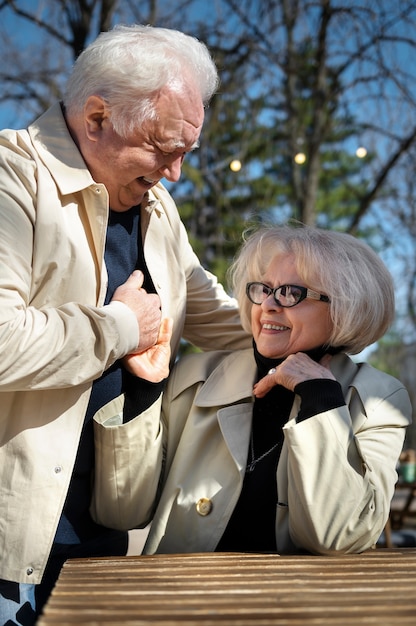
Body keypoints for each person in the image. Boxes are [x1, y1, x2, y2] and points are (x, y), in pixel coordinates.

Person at [0, 24, 250, 624]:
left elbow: (224, 319)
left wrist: (322, 323)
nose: (177, 173)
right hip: (13, 541)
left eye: (187, 151)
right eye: (164, 147)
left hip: (107, 526)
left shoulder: (157, 210)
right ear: (95, 118)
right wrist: (119, 327)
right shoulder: (12, 179)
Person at [92, 223, 412, 557]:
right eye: (263, 289)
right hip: (182, 596)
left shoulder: (378, 399)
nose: (269, 305)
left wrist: (321, 399)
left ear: (344, 308)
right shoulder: (193, 377)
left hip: (307, 604)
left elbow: (337, 538)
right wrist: (145, 390)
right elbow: (120, 513)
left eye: (292, 292)